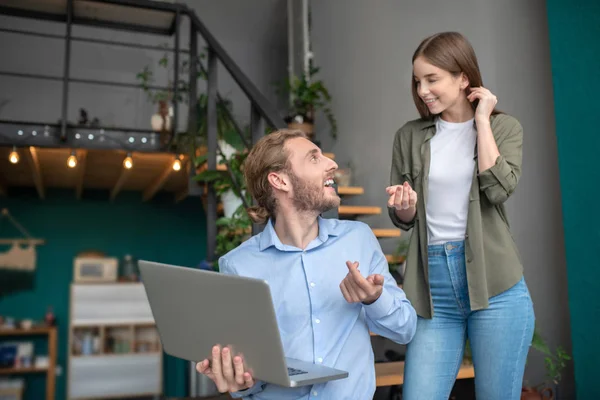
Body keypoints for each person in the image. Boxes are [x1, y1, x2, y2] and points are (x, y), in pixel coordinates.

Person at [196, 129, 417, 399]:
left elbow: (405, 329)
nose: (332, 164)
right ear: (280, 180)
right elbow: (247, 375)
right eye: (314, 158)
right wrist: (240, 382)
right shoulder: (238, 265)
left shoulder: (358, 238)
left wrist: (374, 298)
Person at [386, 31, 535, 400]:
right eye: (418, 81)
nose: (422, 90)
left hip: (495, 288)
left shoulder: (503, 128)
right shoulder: (409, 136)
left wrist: (481, 122)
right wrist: (404, 210)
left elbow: (499, 190)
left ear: (463, 77)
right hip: (433, 291)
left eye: (432, 79)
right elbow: (403, 217)